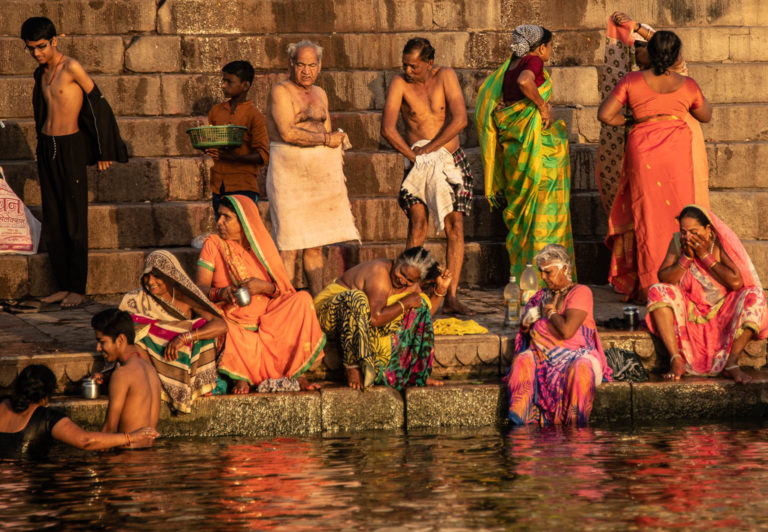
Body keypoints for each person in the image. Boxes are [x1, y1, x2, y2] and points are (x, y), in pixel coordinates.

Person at [21, 17, 128, 309]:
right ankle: (63, 286)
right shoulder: (39, 73)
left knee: (74, 218)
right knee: (53, 218)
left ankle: (78, 289)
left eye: (41, 47)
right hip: (47, 146)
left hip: (70, 147)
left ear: (55, 41)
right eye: (31, 49)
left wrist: (104, 149)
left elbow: (98, 104)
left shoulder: (71, 67)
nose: (37, 53)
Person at [597, 30, 712, 300]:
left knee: (647, 218)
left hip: (643, 152)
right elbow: (706, 115)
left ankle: (651, 286)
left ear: (650, 51)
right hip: (676, 154)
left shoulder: (632, 80)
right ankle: (681, 282)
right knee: (679, 216)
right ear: (675, 55)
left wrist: (630, 121)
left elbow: (605, 114)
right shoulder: (688, 84)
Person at [381, 37, 474, 315]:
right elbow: (387, 128)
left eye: (414, 66)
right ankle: (408, 291)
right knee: (418, 222)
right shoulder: (399, 84)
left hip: (449, 160)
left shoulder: (445, 76)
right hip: (417, 164)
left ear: (429, 63)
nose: (408, 71)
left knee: (454, 224)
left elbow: (460, 120)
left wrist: (432, 150)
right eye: (405, 65)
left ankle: (452, 295)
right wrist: (415, 158)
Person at [196, 195, 326, 394]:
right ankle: (242, 376)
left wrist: (262, 287)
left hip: (269, 316)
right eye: (219, 216)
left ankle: (295, 371)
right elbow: (200, 288)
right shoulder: (213, 244)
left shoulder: (262, 248)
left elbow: (281, 290)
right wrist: (221, 292)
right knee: (220, 325)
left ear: (244, 221)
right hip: (234, 319)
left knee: (302, 300)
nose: (219, 222)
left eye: (227, 217)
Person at [475, 25, 575, 282]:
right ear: (541, 47)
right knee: (543, 211)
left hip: (517, 148)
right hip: (537, 154)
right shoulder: (532, 61)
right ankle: (547, 277)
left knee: (522, 217)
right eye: (550, 47)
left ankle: (523, 274)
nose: (549, 51)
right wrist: (542, 106)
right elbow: (525, 82)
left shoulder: (510, 65)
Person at [265, 40, 359, 296]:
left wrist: (335, 140)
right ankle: (286, 303)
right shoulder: (280, 92)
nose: (306, 71)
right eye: (300, 65)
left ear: (319, 66)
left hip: (316, 174)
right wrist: (326, 140)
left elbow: (326, 129)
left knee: (315, 245)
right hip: (288, 172)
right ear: (291, 65)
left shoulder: (321, 93)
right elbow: (287, 132)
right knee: (288, 245)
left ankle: (317, 300)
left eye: (311, 65)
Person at [647, 205, 768, 383]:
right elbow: (664, 277)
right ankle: (676, 359)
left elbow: (736, 282)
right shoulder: (677, 242)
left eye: (694, 232)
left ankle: (732, 362)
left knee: (755, 295)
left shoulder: (718, 243)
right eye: (684, 232)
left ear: (708, 229)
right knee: (656, 291)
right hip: (690, 309)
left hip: (722, 310)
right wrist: (686, 259)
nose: (688, 237)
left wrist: (705, 255)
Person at [314, 246, 450, 390]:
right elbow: (375, 318)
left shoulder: (412, 285)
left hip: (364, 319)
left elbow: (423, 315)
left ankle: (415, 373)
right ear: (397, 260)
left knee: (419, 303)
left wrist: (440, 290)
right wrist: (405, 303)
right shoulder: (379, 272)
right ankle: (352, 366)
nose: (402, 280)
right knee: (357, 298)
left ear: (418, 280)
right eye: (402, 273)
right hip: (330, 312)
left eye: (410, 280)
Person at [505, 245, 612, 426]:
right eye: (542, 273)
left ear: (564, 269)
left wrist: (550, 313)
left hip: (577, 356)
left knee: (581, 370)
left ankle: (575, 432)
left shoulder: (580, 292)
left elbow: (567, 331)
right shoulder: (540, 296)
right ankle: (522, 432)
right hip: (541, 357)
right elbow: (524, 332)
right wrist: (526, 323)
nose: (544, 278)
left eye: (549, 272)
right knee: (522, 362)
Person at [119, 250, 229, 413]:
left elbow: (221, 325)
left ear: (170, 275)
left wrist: (185, 337)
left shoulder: (186, 297)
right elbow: (121, 331)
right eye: (147, 277)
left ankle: (190, 386)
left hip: (183, 353)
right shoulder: (137, 300)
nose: (151, 282)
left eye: (157, 276)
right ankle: (159, 387)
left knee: (200, 326)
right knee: (138, 333)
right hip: (156, 359)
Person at [0, 365, 158, 459]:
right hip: (26, 485)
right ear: (47, 395)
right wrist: (132, 437)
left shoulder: (2, 405)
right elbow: (86, 441)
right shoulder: (47, 417)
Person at [205, 60, 270, 214]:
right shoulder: (215, 112)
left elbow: (263, 156)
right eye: (223, 80)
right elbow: (210, 141)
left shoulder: (255, 116)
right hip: (218, 186)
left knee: (243, 233)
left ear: (245, 86)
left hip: (244, 186)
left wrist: (233, 157)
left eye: (229, 82)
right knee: (224, 231)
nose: (223, 85)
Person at [92, 309, 161, 434]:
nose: (98, 348)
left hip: (126, 453)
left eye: (102, 342)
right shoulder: (150, 370)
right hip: (149, 452)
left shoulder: (122, 374)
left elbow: (109, 430)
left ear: (120, 340)